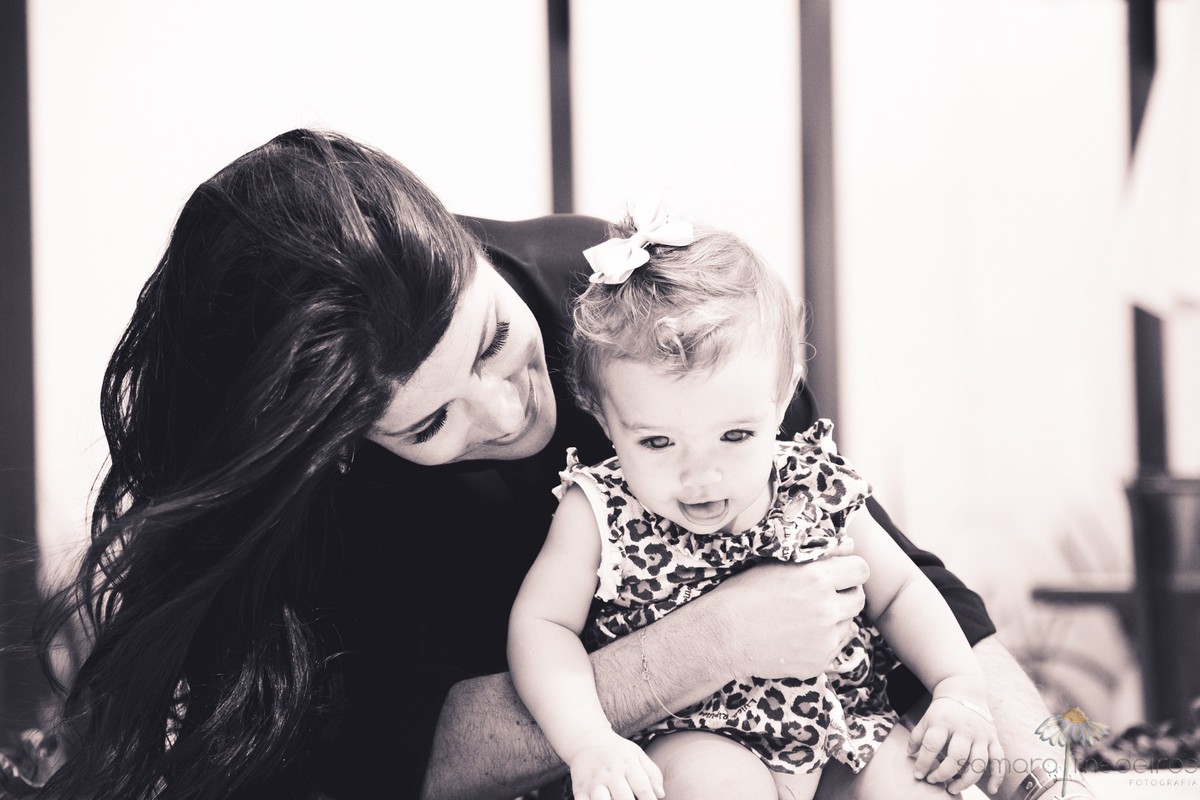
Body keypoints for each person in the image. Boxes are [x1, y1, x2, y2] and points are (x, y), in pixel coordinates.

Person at [28, 129, 1089, 800]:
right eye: (428, 423)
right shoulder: (326, 509)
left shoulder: (649, 321)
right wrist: (707, 642)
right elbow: (369, 753)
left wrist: (1039, 760)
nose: (503, 412)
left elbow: (890, 565)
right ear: (346, 449)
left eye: (489, 340)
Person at [507, 206, 1004, 800]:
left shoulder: (814, 482)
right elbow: (542, 626)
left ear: (782, 393)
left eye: (736, 436)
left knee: (917, 783)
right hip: (693, 734)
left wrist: (958, 687)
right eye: (657, 442)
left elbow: (898, 591)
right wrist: (589, 742)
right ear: (602, 415)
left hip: (846, 730)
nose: (700, 475)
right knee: (715, 785)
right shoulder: (598, 510)